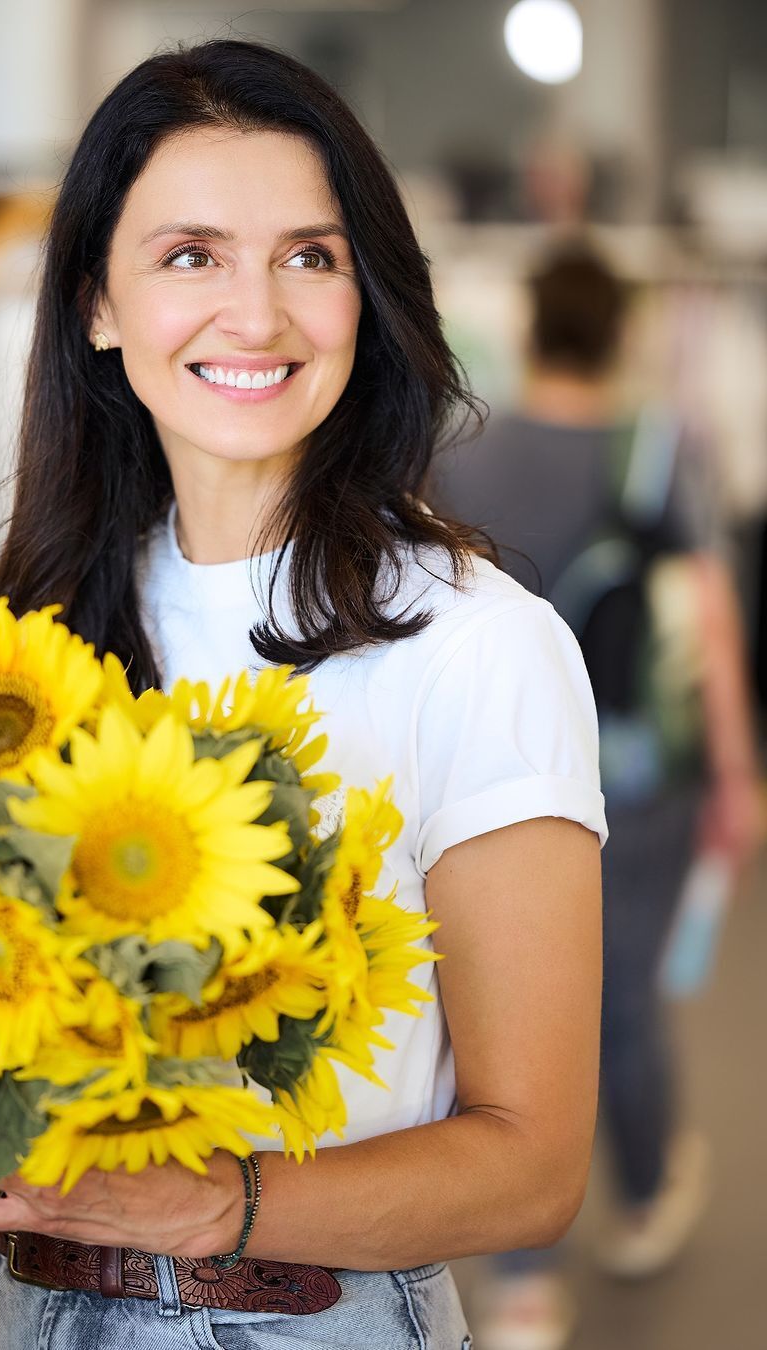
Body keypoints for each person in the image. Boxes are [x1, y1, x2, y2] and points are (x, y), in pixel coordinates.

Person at [0, 40, 607, 1350]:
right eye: (190, 254)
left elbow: (533, 1164)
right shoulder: (30, 632)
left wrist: (219, 1204)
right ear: (98, 303)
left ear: (366, 295)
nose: (255, 316)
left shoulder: (481, 645)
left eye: (309, 257)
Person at [432, 244, 762, 1350]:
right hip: (633, 770)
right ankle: (643, 1194)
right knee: (618, 997)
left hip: (492, 768)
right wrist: (735, 770)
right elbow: (709, 618)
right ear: (621, 329)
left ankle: (525, 1284)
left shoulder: (462, 451)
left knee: (503, 1001)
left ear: (528, 325)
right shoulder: (659, 448)